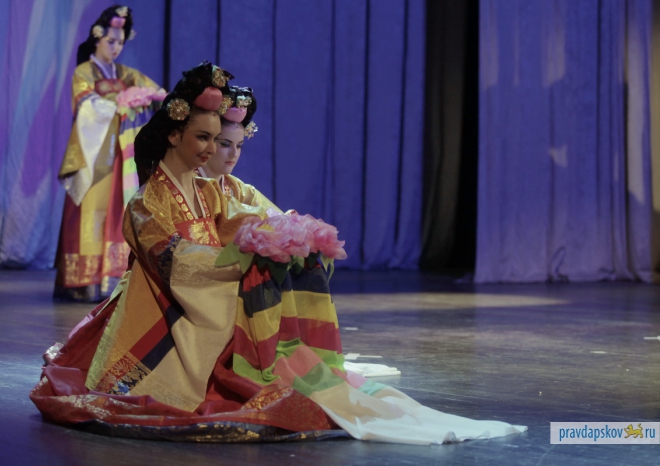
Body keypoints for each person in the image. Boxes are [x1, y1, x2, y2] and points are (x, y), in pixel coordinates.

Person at [31, 62, 526, 444]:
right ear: (174, 134)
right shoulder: (146, 202)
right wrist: (241, 257)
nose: (211, 150)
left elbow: (242, 220)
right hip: (161, 310)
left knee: (274, 300)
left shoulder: (208, 190)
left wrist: (280, 239)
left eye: (218, 140)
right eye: (204, 138)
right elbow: (174, 262)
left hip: (203, 298)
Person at [54, 5, 164, 302]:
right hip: (94, 156)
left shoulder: (127, 74)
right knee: (91, 209)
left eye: (120, 42)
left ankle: (112, 280)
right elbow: (85, 104)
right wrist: (120, 103)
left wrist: (147, 99)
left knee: (119, 211)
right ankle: (83, 281)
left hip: (121, 156)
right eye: (110, 41)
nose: (115, 47)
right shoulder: (84, 72)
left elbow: (158, 94)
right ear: (97, 39)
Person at [195, 86, 280, 213]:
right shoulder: (188, 185)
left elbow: (278, 217)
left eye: (239, 146)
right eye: (225, 144)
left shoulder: (238, 190)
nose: (234, 154)